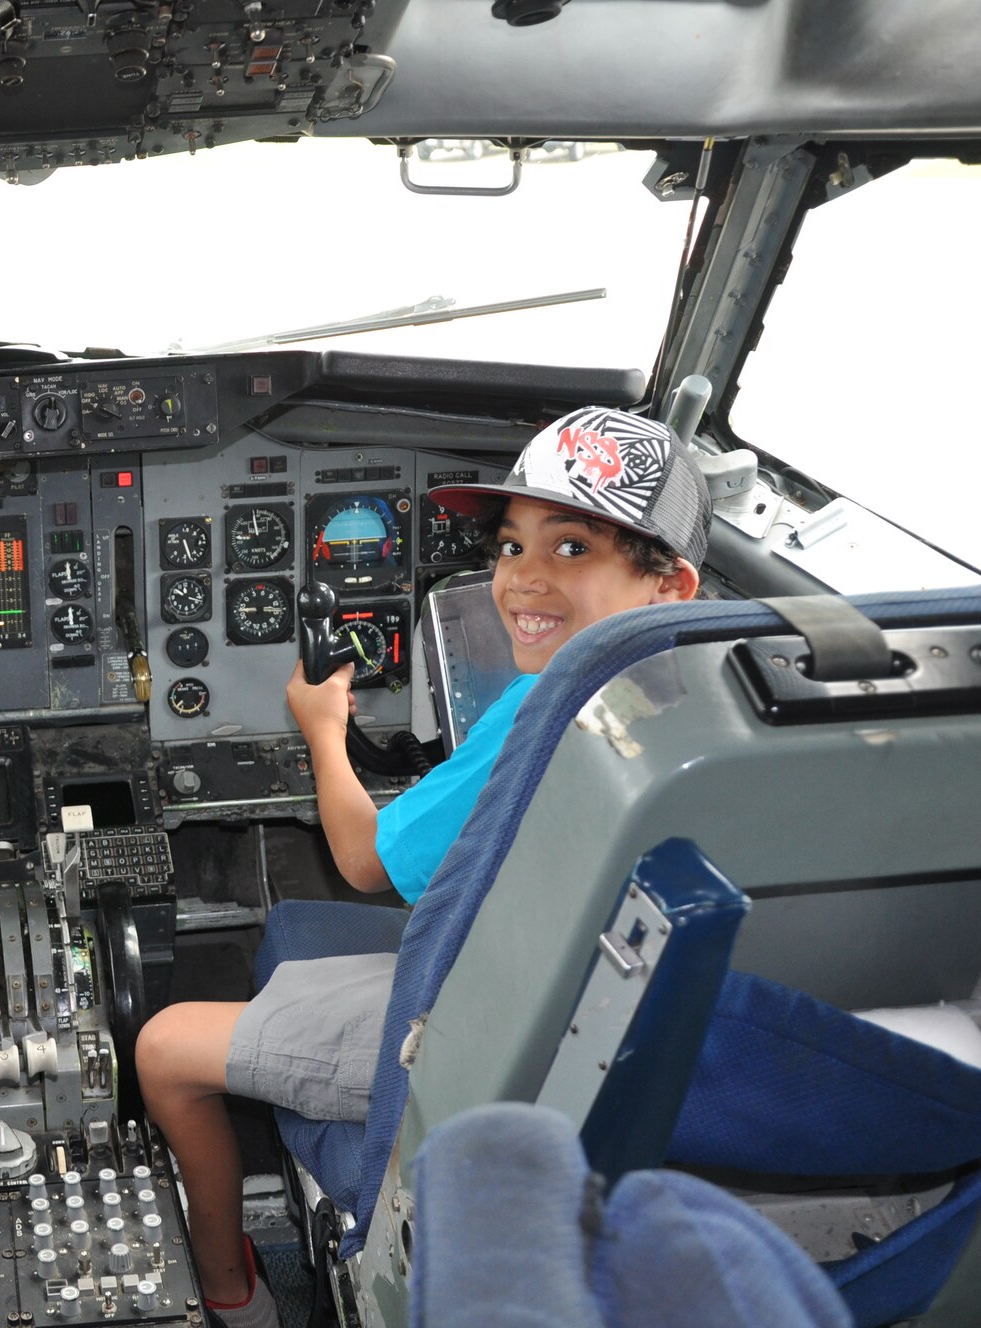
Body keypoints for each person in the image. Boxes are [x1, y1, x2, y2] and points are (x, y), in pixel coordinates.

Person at [136, 407, 711, 1328]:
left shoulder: (541, 706)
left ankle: (233, 1295)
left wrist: (324, 731)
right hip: (608, 998)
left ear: (668, 584)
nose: (522, 577)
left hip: (500, 1025)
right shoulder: (709, 695)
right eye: (512, 546)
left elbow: (364, 859)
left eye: (573, 550)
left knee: (163, 1049)